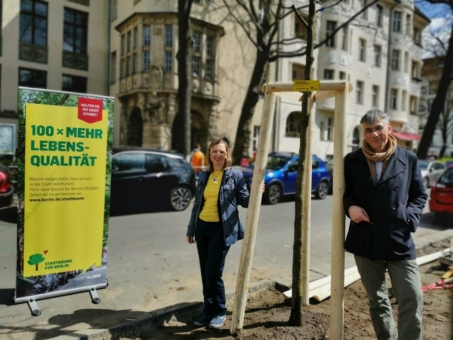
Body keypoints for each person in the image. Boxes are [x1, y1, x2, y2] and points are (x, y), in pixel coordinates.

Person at [343, 109, 427, 340]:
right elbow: (345, 193)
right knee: (377, 300)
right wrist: (350, 208)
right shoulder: (352, 160)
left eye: (378, 128)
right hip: (365, 240)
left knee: (412, 297)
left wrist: (408, 218)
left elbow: (419, 196)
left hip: (398, 239)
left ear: (389, 129)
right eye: (368, 130)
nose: (374, 134)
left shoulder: (408, 158)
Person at [186, 139, 250, 329]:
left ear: (226, 154)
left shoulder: (235, 175)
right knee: (205, 272)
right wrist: (191, 229)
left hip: (222, 230)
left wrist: (256, 191)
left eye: (221, 151)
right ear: (210, 153)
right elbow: (197, 205)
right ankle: (208, 310)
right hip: (202, 228)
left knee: (213, 272)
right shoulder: (205, 176)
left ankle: (220, 311)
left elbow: (245, 201)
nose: (218, 155)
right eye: (214, 151)